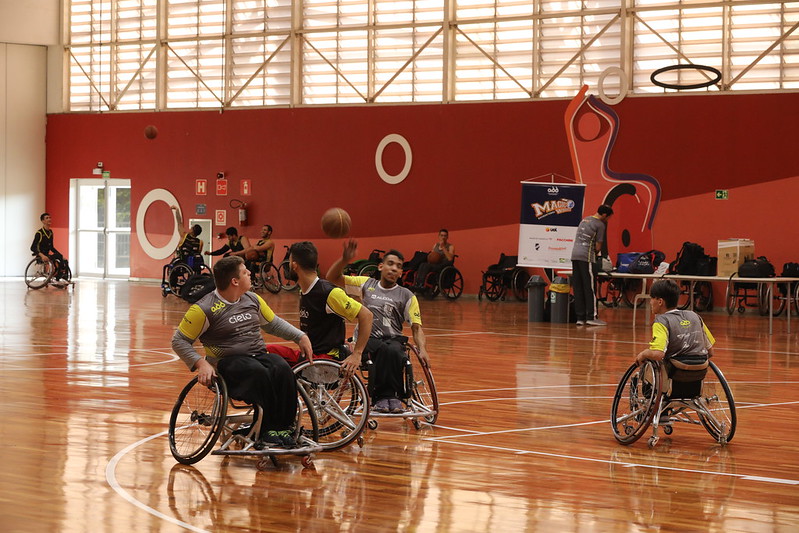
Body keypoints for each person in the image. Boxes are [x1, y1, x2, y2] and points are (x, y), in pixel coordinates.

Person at [171, 255, 313, 448]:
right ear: (234, 281)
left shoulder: (252, 299)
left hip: (256, 355)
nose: (250, 274)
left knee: (282, 368)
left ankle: (283, 428)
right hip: (226, 362)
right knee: (259, 372)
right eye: (246, 272)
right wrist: (201, 363)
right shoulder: (203, 309)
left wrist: (300, 336)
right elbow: (179, 341)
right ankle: (266, 429)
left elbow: (273, 324)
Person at [326, 240, 430, 413]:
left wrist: (423, 349)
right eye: (390, 264)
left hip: (393, 340)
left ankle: (391, 397)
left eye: (398, 266)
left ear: (401, 272)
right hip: (367, 340)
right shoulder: (366, 284)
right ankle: (384, 397)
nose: (394, 268)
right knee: (384, 349)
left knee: (395, 350)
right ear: (381, 266)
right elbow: (332, 277)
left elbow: (417, 328)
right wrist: (344, 259)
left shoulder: (407, 296)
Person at [268, 241, 373, 378]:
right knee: (264, 351)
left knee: (267, 353)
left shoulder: (328, 293)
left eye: (290, 261)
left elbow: (367, 315)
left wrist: (357, 354)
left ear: (294, 265)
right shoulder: (305, 290)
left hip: (325, 360)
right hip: (311, 356)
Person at [635, 280, 715, 395]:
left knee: (649, 362)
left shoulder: (661, 321)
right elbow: (710, 352)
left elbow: (658, 354)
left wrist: (643, 354)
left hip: (674, 375)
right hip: (699, 372)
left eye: (652, 298)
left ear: (660, 301)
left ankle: (650, 404)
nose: (650, 302)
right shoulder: (695, 316)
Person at [570, 204, 613, 326]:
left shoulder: (585, 220)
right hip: (586, 257)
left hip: (574, 256)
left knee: (578, 287)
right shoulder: (600, 224)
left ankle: (580, 318)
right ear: (605, 215)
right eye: (609, 217)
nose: (608, 220)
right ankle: (591, 317)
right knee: (589, 288)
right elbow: (598, 247)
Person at [31, 212, 69, 287]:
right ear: (43, 221)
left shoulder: (50, 232)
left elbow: (51, 247)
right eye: (47, 218)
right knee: (59, 256)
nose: (49, 219)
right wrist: (41, 255)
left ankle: (64, 276)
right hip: (41, 256)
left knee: (65, 260)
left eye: (50, 217)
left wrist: (61, 256)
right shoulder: (39, 233)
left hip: (48, 255)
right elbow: (32, 247)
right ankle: (58, 277)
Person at [171, 205, 205, 269]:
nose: (190, 228)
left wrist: (177, 210)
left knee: (172, 265)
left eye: (191, 228)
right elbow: (198, 252)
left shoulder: (184, 236)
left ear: (192, 231)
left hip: (182, 262)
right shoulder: (200, 242)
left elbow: (179, 223)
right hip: (193, 264)